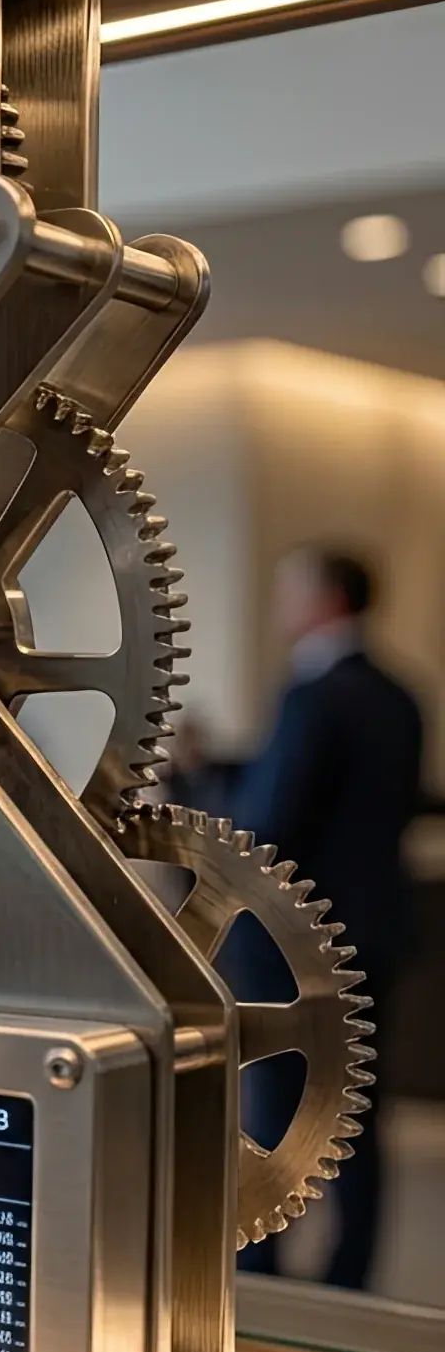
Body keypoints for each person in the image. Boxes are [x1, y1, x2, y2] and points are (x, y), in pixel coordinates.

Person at [231, 550, 423, 1290]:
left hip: (298, 946)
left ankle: (264, 1278)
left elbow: (272, 820)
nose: (280, 601)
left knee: (279, 1113)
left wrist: (208, 787)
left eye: (290, 588)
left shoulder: (313, 694)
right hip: (376, 933)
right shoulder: (403, 694)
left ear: (328, 598)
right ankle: (351, 1278)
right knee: (361, 1114)